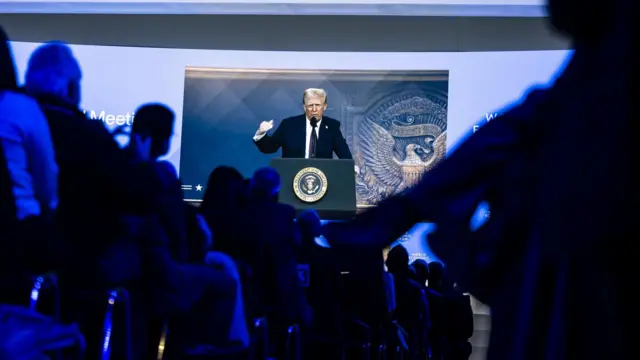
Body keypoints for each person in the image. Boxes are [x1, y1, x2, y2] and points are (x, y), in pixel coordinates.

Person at [253, 88, 352, 159]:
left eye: (317, 105)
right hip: (293, 177)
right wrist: (261, 133)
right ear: (304, 107)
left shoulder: (331, 126)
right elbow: (269, 148)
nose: (314, 109)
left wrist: (351, 167)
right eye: (310, 105)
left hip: (322, 179)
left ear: (324, 106)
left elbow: (343, 153)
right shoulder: (289, 125)